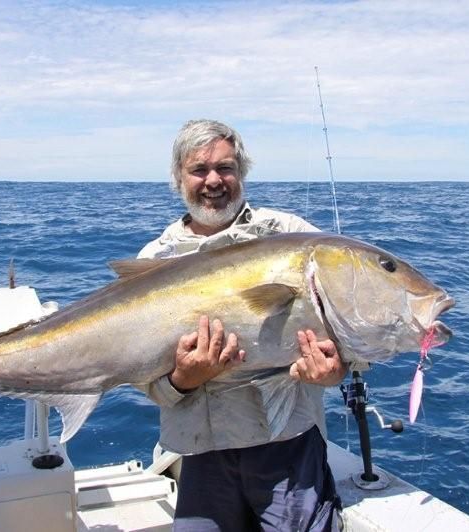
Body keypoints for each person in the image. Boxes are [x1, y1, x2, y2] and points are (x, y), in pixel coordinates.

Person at [138, 119, 348, 531]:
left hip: (288, 446)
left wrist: (334, 371)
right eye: (199, 170)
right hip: (200, 453)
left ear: (242, 172)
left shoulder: (292, 236)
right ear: (179, 177)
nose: (213, 180)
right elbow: (139, 376)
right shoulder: (155, 260)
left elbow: (347, 337)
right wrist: (182, 380)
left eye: (225, 168)